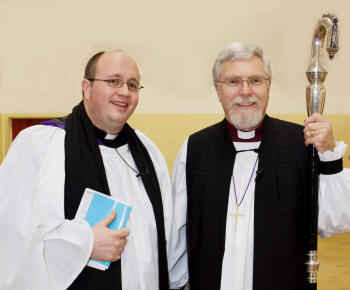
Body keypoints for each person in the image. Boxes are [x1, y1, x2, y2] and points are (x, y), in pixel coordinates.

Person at [0, 51, 186, 290]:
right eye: (113, 81)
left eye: (132, 84)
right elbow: (15, 237)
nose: (124, 92)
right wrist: (84, 244)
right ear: (86, 87)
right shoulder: (41, 144)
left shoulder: (147, 152)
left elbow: (167, 236)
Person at [171, 42, 350, 290]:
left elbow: (335, 222)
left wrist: (329, 154)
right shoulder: (195, 148)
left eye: (255, 80)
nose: (246, 91)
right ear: (217, 89)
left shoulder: (301, 144)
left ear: (268, 87)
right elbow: (178, 233)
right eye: (233, 82)